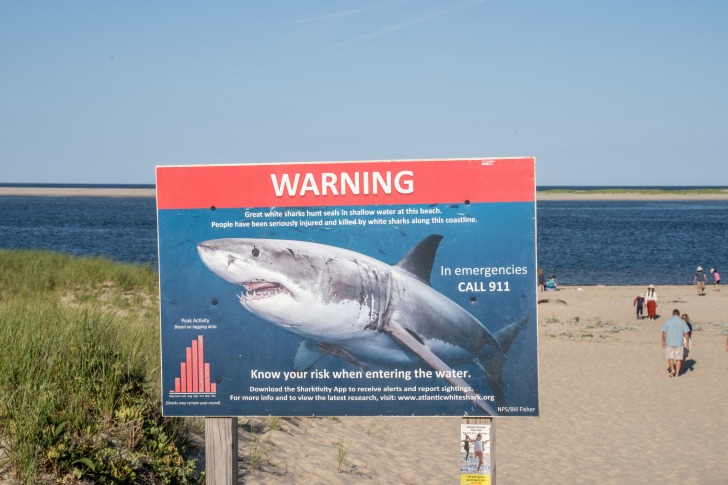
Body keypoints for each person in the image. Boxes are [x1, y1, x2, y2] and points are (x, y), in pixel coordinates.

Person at [662, 309, 691, 378]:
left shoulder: (668, 321)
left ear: (672, 314)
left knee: (670, 357)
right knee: (678, 359)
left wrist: (663, 341)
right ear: (678, 314)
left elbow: (664, 333)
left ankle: (672, 369)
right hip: (679, 343)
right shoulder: (682, 322)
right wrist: (687, 342)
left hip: (669, 342)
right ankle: (677, 374)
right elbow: (686, 333)